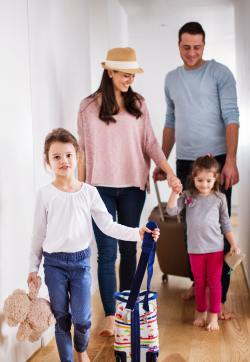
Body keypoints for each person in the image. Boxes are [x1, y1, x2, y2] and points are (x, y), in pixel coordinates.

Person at [28, 128, 160, 362]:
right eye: (56, 157)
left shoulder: (89, 192)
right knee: (62, 319)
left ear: (77, 156)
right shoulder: (45, 194)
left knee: (83, 319)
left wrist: (138, 232)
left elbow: (109, 226)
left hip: (80, 264)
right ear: (47, 161)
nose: (63, 160)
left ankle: (81, 350)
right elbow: (38, 235)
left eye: (68, 154)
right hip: (53, 265)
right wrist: (33, 267)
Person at [77, 47, 178, 338]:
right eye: (124, 74)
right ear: (109, 71)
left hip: (134, 186)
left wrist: (169, 173)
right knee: (106, 254)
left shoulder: (138, 104)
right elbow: (82, 152)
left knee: (129, 249)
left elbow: (151, 144)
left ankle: (128, 308)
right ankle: (110, 316)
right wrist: (80, 193)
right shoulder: (87, 107)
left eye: (133, 75)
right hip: (99, 189)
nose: (129, 80)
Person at [152, 22, 239, 319]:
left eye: (197, 47)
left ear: (204, 46)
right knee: (191, 226)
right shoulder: (171, 79)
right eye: (186, 47)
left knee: (216, 225)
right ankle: (197, 285)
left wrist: (231, 161)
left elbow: (232, 118)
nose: (191, 53)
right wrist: (162, 163)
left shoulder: (220, 73)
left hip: (216, 159)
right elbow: (170, 121)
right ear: (178, 46)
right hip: (185, 161)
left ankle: (220, 296)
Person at [166, 155, 241, 331]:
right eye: (200, 180)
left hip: (215, 249)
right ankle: (201, 314)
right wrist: (174, 193)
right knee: (199, 283)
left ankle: (213, 317)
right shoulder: (187, 196)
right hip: (195, 250)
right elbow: (171, 210)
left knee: (215, 283)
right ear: (193, 176)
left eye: (208, 180)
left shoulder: (220, 198)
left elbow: (226, 224)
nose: (204, 184)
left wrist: (234, 244)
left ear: (215, 178)